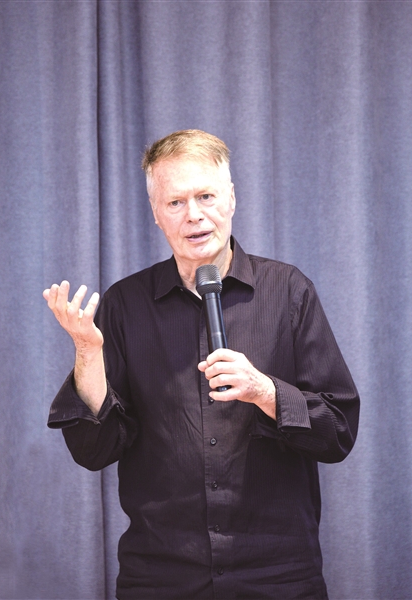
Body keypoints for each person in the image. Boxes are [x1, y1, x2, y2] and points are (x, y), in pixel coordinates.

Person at [44, 129, 359, 600]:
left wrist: (266, 392)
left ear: (231, 198)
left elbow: (338, 433)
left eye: (206, 196)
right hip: (162, 576)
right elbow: (95, 450)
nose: (193, 214)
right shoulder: (125, 304)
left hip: (277, 575)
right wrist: (88, 353)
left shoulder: (289, 291)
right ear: (156, 213)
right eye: (175, 202)